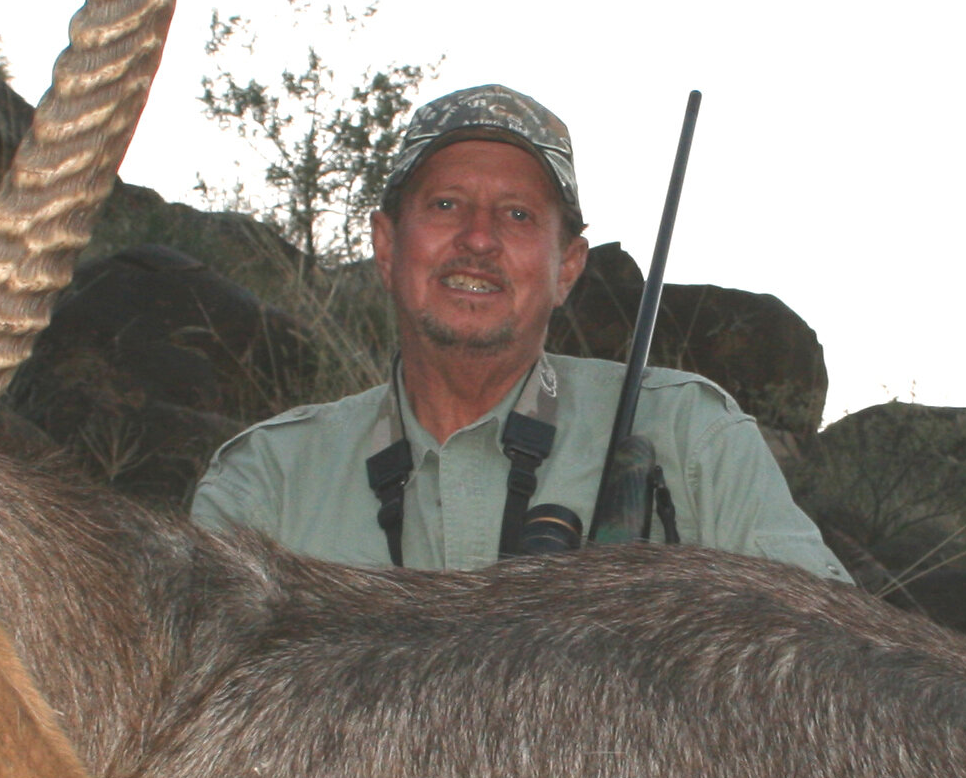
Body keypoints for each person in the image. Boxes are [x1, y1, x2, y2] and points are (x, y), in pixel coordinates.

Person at [191, 83, 845, 580]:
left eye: (518, 214)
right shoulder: (265, 484)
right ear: (387, 247)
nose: (478, 238)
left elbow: (838, 673)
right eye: (446, 205)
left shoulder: (694, 441)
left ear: (567, 268)